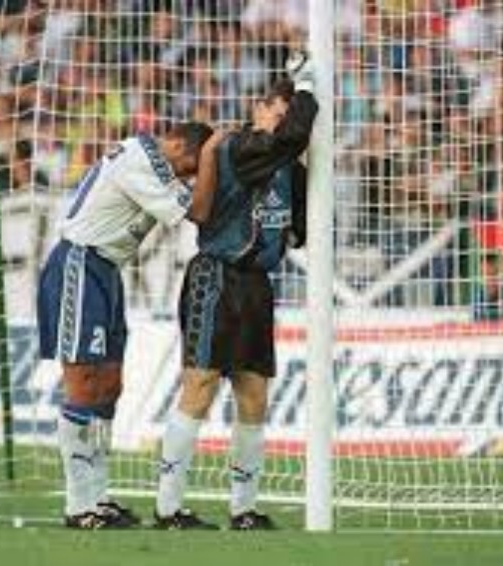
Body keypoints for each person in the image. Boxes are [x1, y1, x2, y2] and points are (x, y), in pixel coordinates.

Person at [154, 52, 318, 530]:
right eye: (278, 113)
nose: (283, 124)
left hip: (257, 286)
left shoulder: (291, 168)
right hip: (217, 276)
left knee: (253, 394)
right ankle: (168, 508)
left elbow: (298, 229)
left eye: (288, 116)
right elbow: (291, 138)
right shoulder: (241, 146)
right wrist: (307, 87)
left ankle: (243, 509)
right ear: (258, 109)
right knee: (200, 385)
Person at [37, 121, 221, 530]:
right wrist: (211, 155)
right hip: (79, 264)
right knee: (84, 384)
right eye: (190, 166)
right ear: (178, 144)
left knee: (109, 386)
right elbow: (199, 212)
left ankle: (97, 497)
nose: (188, 177)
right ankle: (78, 506)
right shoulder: (142, 159)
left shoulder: (148, 159)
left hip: (106, 270)